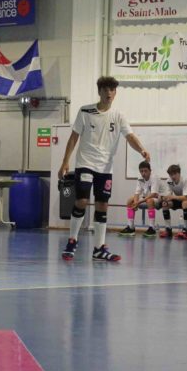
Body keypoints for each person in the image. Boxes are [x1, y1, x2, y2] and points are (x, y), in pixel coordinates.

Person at [57, 76, 150, 262]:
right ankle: (72, 241)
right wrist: (65, 161)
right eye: (105, 89)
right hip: (85, 163)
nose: (109, 93)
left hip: (105, 167)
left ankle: (99, 248)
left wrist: (142, 149)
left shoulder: (119, 116)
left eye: (112, 90)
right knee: (82, 201)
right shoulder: (85, 111)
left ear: (115, 93)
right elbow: (74, 137)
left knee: (102, 205)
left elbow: (130, 136)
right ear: (99, 92)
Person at [120, 160, 160, 237]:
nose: (143, 173)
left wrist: (138, 202)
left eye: (145, 171)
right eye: (141, 171)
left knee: (149, 200)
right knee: (130, 200)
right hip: (146, 198)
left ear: (150, 170)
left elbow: (153, 194)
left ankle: (152, 228)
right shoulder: (140, 178)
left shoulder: (154, 177)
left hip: (158, 198)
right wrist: (135, 203)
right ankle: (131, 227)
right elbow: (137, 193)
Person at [159, 164, 187, 239]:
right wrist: (165, 198)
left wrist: (173, 197)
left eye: (175, 174)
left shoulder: (184, 180)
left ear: (179, 173)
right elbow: (169, 194)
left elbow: (186, 197)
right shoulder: (169, 181)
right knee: (165, 204)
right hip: (178, 198)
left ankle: (186, 229)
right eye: (171, 175)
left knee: (185, 203)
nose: (173, 176)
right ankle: (168, 229)